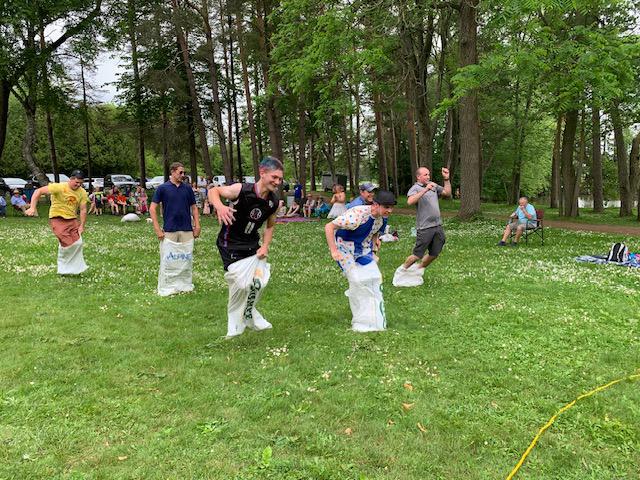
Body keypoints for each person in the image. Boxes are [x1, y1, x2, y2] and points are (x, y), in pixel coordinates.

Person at [209, 156, 283, 337]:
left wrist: (265, 246)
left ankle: (248, 315)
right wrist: (220, 207)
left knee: (257, 283)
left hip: (252, 245)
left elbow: (270, 225)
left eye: (280, 179)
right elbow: (214, 191)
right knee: (242, 285)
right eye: (274, 177)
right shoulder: (241, 190)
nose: (277, 182)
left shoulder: (274, 201)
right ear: (262, 173)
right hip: (230, 244)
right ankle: (238, 323)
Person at [325, 191, 396, 332]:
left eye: (391, 207)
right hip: (344, 248)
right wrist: (334, 250)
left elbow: (375, 232)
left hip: (363, 249)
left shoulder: (382, 219)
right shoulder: (357, 215)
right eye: (386, 207)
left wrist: (374, 250)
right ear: (375, 205)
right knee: (356, 280)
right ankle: (361, 321)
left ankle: (375, 319)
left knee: (375, 278)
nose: (390, 210)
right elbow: (329, 227)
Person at [25, 170, 89, 275]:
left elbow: (83, 210)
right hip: (57, 217)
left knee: (77, 243)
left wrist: (82, 225)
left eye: (81, 183)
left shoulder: (82, 192)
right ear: (71, 179)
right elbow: (38, 191)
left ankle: (74, 269)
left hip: (72, 219)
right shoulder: (59, 187)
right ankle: (65, 268)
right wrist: (32, 207)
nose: (78, 185)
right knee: (67, 243)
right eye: (77, 182)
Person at [394, 167, 452, 282]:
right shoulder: (415, 188)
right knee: (417, 255)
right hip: (424, 227)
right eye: (425, 175)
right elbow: (410, 201)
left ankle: (418, 269)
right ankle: (401, 270)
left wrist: (446, 179)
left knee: (435, 253)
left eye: (429, 174)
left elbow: (447, 193)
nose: (428, 177)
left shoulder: (433, 185)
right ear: (418, 177)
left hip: (437, 226)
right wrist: (425, 190)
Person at [150, 162, 201, 243]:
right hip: (169, 230)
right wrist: (157, 229)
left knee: (187, 251)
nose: (183, 175)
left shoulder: (188, 188)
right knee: (168, 251)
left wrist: (197, 226)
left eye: (184, 173)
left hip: (187, 230)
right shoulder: (162, 188)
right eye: (180, 172)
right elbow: (152, 209)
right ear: (172, 172)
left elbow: (194, 208)